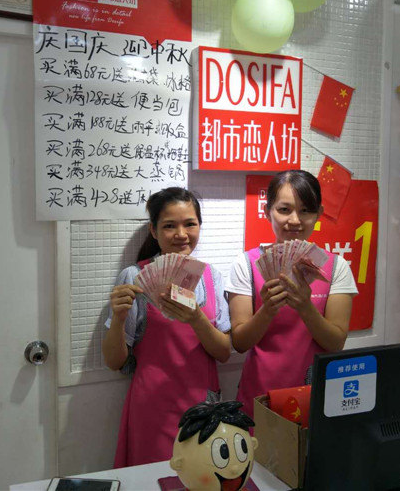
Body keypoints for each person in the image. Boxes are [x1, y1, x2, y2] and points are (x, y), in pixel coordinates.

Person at [102, 187, 231, 468]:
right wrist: (119, 318)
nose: (181, 234)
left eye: (190, 224)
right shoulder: (135, 277)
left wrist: (196, 318)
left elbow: (223, 352)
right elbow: (114, 361)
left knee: (202, 478)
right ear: (153, 230)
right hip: (153, 407)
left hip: (203, 406)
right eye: (169, 226)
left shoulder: (211, 277)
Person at [226, 170, 358, 419]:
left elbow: (335, 343)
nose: (295, 220)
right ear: (267, 212)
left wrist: (305, 306)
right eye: (284, 210)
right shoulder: (246, 265)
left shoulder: (336, 267)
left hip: (315, 395)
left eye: (306, 210)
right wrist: (267, 309)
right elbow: (240, 343)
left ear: (318, 214)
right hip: (260, 395)